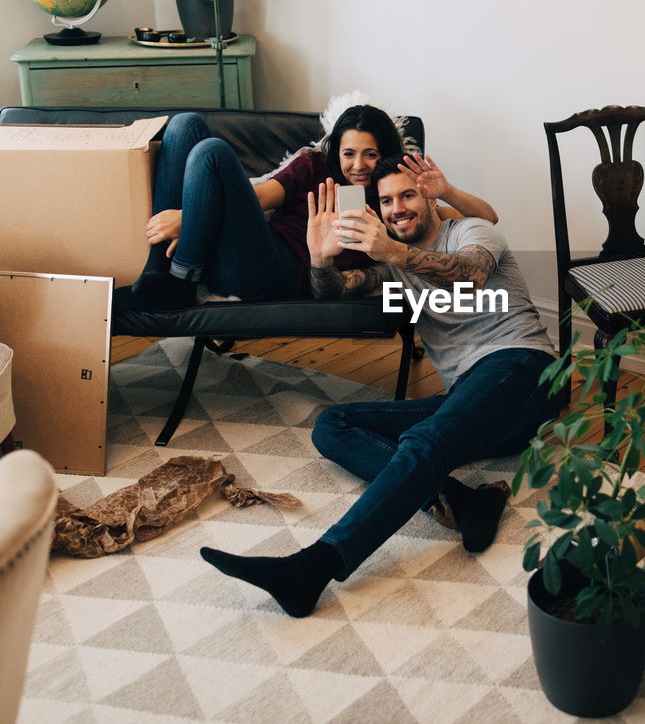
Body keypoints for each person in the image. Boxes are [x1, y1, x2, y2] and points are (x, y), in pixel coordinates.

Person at [199, 161, 561, 617]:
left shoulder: (471, 232)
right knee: (333, 424)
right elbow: (335, 292)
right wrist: (320, 259)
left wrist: (392, 252)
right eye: (386, 202)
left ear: (430, 198)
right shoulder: (393, 273)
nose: (397, 209)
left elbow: (470, 275)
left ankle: (314, 566)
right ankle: (467, 499)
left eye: (407, 196)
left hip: (526, 371)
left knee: (427, 440)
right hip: (473, 401)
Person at [123, 104, 496, 310]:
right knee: (185, 125)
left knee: (212, 152)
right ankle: (160, 272)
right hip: (252, 247)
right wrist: (193, 216)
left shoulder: (393, 196)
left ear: (386, 154)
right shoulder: (314, 166)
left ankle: (178, 279)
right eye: (349, 154)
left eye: (371, 154)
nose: (358, 165)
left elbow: (486, 220)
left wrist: (446, 190)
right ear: (337, 151)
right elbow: (258, 197)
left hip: (279, 277)